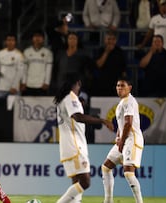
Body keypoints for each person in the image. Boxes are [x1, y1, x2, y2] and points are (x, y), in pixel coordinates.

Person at [54, 73, 114, 203]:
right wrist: (102, 120)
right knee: (85, 182)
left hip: (68, 146)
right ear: (77, 83)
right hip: (75, 146)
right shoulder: (71, 97)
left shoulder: (64, 99)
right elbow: (78, 117)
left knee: (77, 183)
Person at [101, 77, 144, 203]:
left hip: (132, 139)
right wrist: (119, 135)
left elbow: (128, 123)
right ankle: (108, 200)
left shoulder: (129, 101)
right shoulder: (122, 102)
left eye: (122, 86)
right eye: (118, 85)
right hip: (124, 139)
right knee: (106, 167)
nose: (119, 88)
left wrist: (122, 140)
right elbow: (123, 124)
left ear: (129, 88)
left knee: (128, 173)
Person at [0, 33, 25, 99]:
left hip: (14, 88)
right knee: (0, 108)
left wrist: (14, 86)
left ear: (15, 42)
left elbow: (20, 73)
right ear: (5, 42)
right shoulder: (0, 53)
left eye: (12, 40)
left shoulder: (19, 55)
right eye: (8, 40)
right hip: (2, 87)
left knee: (14, 109)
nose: (10, 42)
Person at [93, 31, 127, 96]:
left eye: (113, 39)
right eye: (109, 39)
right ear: (105, 40)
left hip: (116, 83)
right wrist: (107, 52)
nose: (111, 41)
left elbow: (123, 71)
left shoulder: (120, 52)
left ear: (116, 40)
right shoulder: (100, 50)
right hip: (102, 82)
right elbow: (99, 65)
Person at [21, 29, 53, 96]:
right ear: (32, 38)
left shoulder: (48, 53)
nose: (37, 38)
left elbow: (48, 69)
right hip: (28, 84)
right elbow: (24, 69)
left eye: (39, 36)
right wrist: (23, 82)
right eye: (35, 36)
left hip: (41, 85)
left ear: (43, 39)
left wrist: (47, 82)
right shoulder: (26, 52)